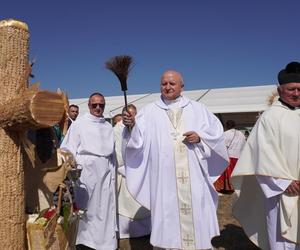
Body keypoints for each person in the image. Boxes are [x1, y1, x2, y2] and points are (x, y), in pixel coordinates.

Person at [122, 70, 229, 250]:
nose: (168, 87)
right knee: (166, 214)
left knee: (196, 213)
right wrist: (131, 127)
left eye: (172, 83)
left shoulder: (198, 109)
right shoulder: (148, 111)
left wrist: (200, 137)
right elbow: (136, 143)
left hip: (194, 177)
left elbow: (217, 136)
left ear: (182, 86)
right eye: (164, 84)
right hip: (163, 179)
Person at [231, 61, 300, 250]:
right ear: (280, 90)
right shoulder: (269, 118)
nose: (296, 93)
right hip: (283, 190)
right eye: (292, 89)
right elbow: (261, 155)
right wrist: (284, 182)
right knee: (282, 240)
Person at [61, 92, 117, 250]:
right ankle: (84, 241)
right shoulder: (80, 123)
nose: (98, 108)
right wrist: (71, 162)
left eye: (101, 105)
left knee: (105, 207)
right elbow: (68, 146)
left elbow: (112, 151)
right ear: (89, 105)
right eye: (95, 105)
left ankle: (104, 243)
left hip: (106, 169)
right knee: (87, 207)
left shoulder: (107, 125)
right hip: (86, 170)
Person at [113, 104, 151, 241]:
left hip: (140, 173)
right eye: (127, 114)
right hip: (124, 173)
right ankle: (124, 231)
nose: (130, 116)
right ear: (123, 115)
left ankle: (145, 229)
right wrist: (125, 168)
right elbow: (117, 152)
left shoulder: (141, 129)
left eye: (133, 114)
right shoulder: (116, 130)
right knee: (125, 204)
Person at [214, 120, 246, 193]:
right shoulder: (241, 134)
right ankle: (236, 187)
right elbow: (244, 145)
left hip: (229, 156)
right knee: (235, 173)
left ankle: (227, 187)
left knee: (227, 173)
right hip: (238, 157)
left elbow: (222, 146)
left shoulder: (225, 134)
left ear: (227, 126)